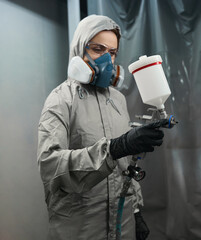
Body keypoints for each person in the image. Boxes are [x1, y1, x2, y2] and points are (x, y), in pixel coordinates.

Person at [37, 15, 165, 240]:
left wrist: (135, 211)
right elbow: (51, 166)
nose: (107, 59)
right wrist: (114, 148)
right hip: (80, 229)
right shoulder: (61, 100)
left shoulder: (118, 100)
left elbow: (127, 167)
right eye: (98, 49)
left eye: (112, 52)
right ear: (79, 49)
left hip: (121, 226)